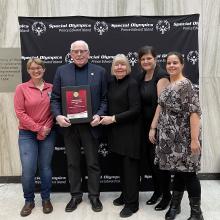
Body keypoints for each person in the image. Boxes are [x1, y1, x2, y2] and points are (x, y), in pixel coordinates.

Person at [50, 40, 107, 212]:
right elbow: (55, 99)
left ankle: (94, 196)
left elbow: (105, 99)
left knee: (93, 163)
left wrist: (99, 115)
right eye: (76, 51)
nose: (80, 54)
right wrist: (58, 115)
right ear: (70, 53)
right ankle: (75, 195)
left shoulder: (100, 71)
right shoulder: (61, 71)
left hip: (91, 126)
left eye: (83, 51)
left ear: (89, 53)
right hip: (69, 127)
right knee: (73, 163)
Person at [149, 51, 203, 220]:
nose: (172, 66)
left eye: (175, 63)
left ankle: (197, 213)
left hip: (184, 138)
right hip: (169, 139)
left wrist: (194, 140)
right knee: (179, 172)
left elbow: (194, 113)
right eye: (169, 63)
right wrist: (153, 127)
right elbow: (161, 106)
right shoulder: (168, 84)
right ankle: (175, 206)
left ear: (182, 65)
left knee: (189, 174)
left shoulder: (186, 85)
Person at [100, 54, 141, 218]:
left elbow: (135, 110)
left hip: (130, 133)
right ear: (112, 67)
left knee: (130, 171)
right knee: (123, 170)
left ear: (128, 67)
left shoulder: (131, 83)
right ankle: (125, 195)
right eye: (116, 65)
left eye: (123, 64)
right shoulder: (112, 83)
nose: (119, 67)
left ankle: (133, 204)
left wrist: (114, 118)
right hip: (116, 133)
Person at [14, 58, 55, 217]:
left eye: (38, 68)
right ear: (28, 71)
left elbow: (54, 110)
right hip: (27, 134)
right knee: (29, 170)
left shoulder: (51, 88)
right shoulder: (21, 88)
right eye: (32, 68)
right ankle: (29, 201)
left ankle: (46, 199)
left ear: (44, 69)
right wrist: (39, 128)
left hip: (48, 132)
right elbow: (20, 113)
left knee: (45, 167)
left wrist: (47, 128)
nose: (36, 71)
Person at [138, 46, 171, 211]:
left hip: (158, 126)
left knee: (159, 163)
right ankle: (157, 192)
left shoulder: (161, 76)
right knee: (151, 162)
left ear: (155, 59)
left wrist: (153, 127)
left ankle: (167, 196)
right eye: (143, 59)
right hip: (144, 125)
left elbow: (162, 104)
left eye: (148, 58)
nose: (146, 61)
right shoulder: (142, 76)